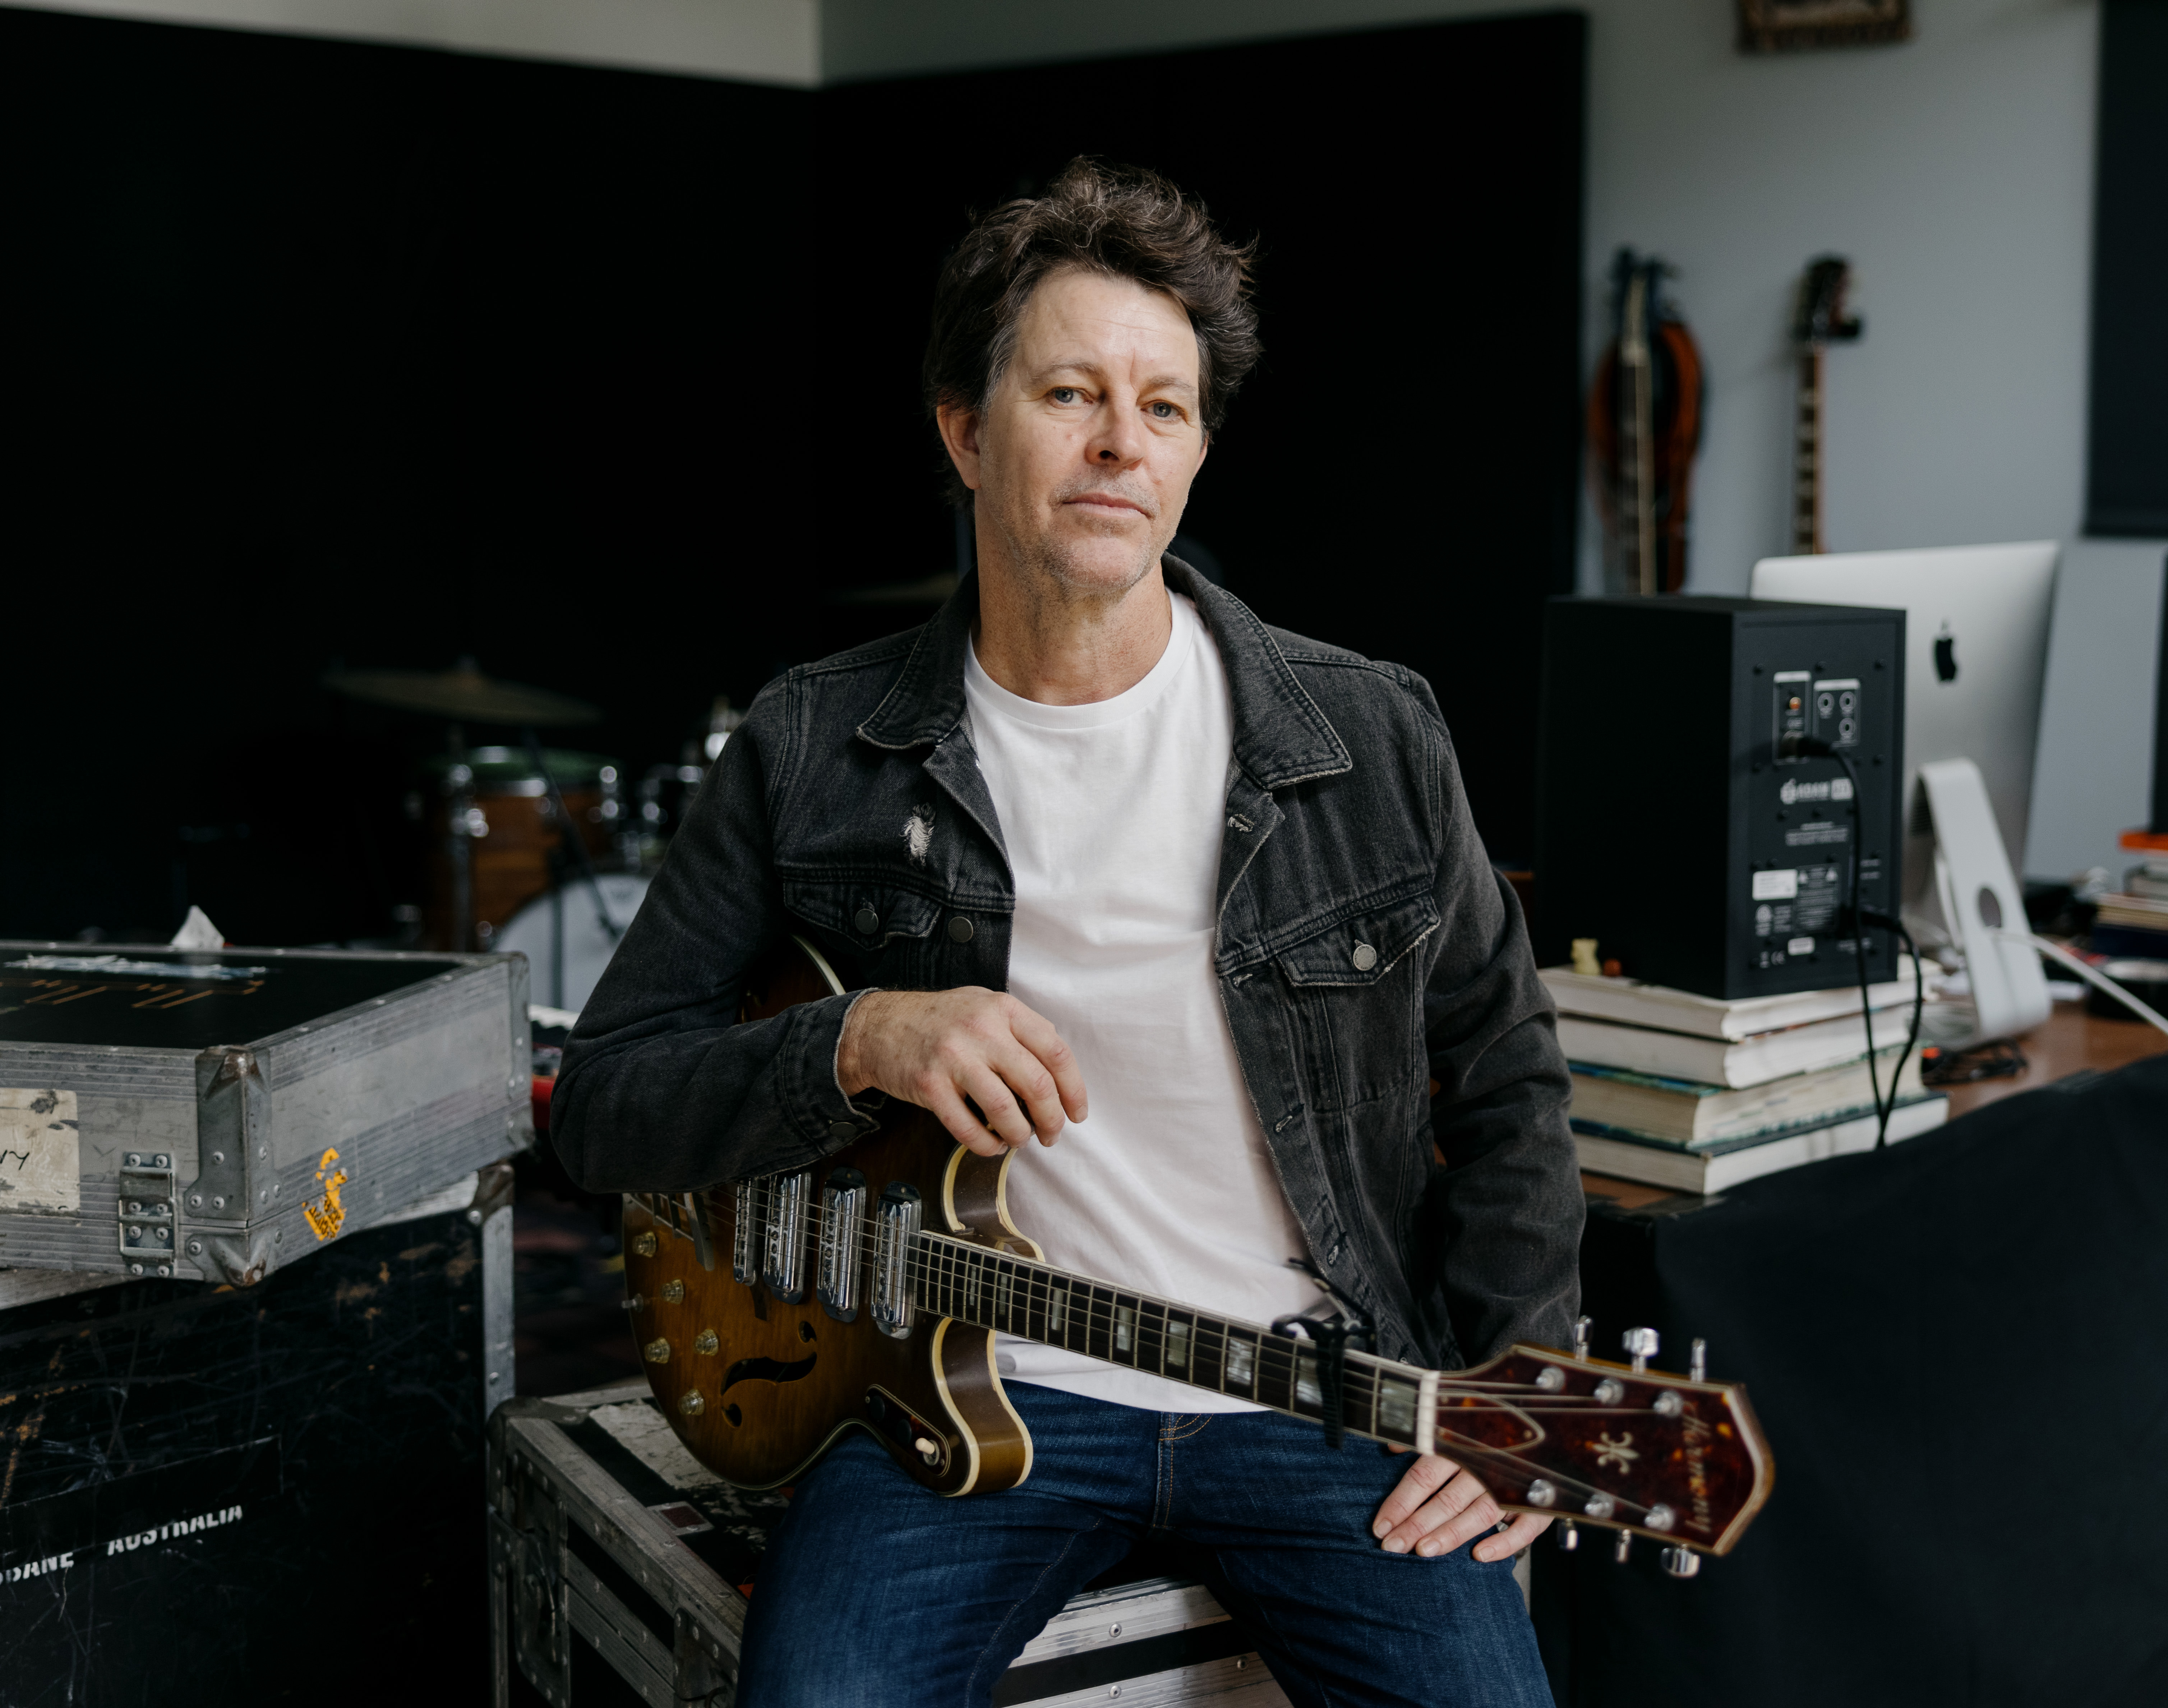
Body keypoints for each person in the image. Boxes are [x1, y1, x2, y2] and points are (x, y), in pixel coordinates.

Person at [551, 158, 1581, 1708]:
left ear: (1197, 453)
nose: (1119, 444)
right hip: (953, 1399)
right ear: (965, 431)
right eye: (1070, 395)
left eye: (1163, 408)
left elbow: (1506, 1082)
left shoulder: (1367, 735)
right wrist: (858, 1040)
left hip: (1310, 1398)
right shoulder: (809, 743)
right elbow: (609, 1101)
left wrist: (1515, 1390)